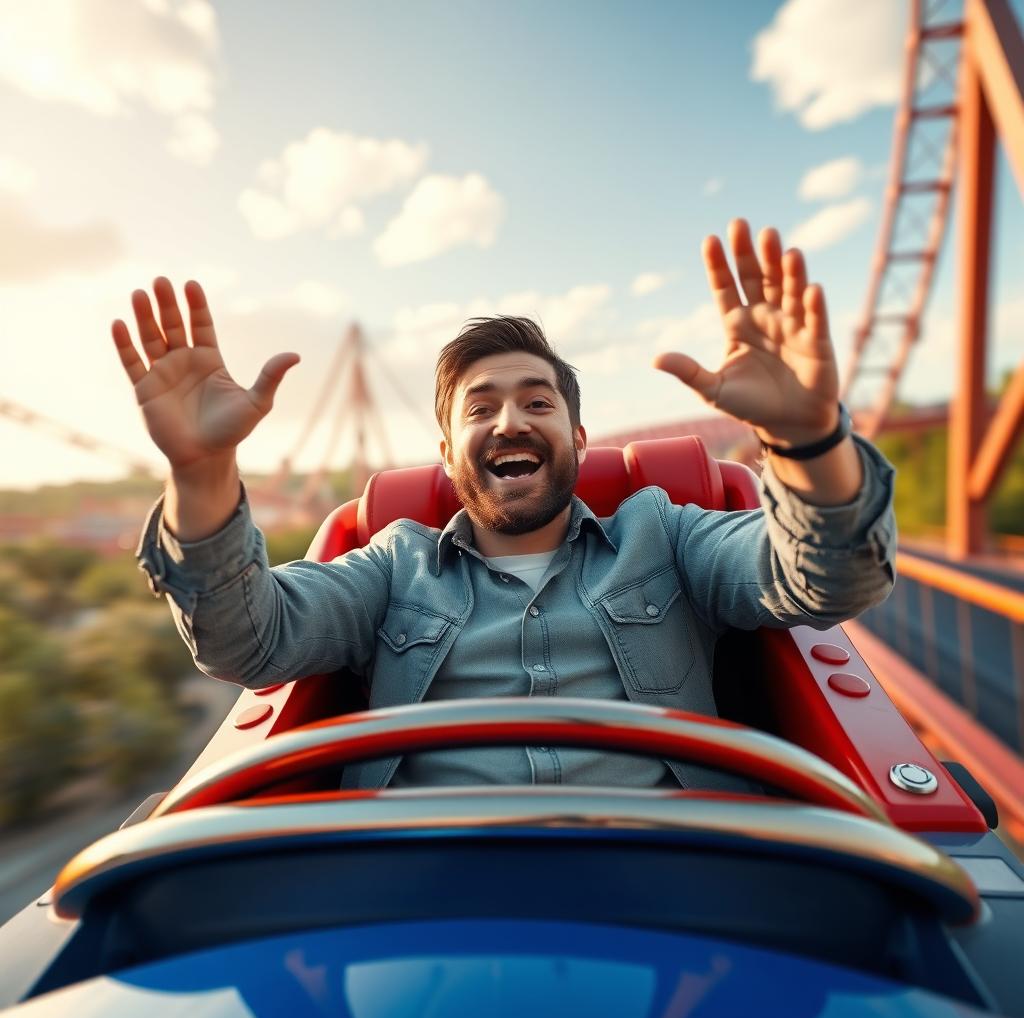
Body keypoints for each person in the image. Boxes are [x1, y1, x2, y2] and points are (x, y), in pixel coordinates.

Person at [117, 219, 895, 791]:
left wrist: (809, 442)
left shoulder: (664, 533)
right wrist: (202, 471)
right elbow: (248, 643)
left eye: (537, 402)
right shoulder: (393, 566)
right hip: (427, 886)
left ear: (578, 437)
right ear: (449, 451)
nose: (511, 422)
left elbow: (825, 581)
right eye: (480, 408)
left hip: (667, 874)